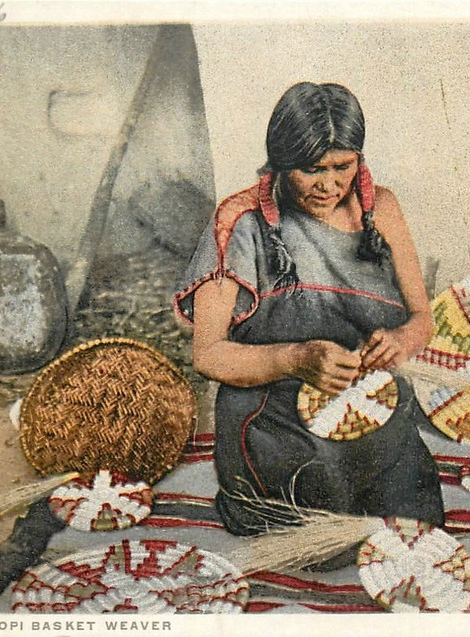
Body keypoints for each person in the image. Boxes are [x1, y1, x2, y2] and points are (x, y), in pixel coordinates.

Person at [173, 82, 445, 544]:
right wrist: (295, 359)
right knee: (323, 533)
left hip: (369, 405)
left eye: (343, 166)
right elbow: (209, 354)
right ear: (280, 163)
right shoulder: (241, 223)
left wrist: (402, 339)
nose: (329, 185)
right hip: (272, 414)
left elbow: (422, 318)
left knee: (413, 529)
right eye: (311, 169)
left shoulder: (382, 208)